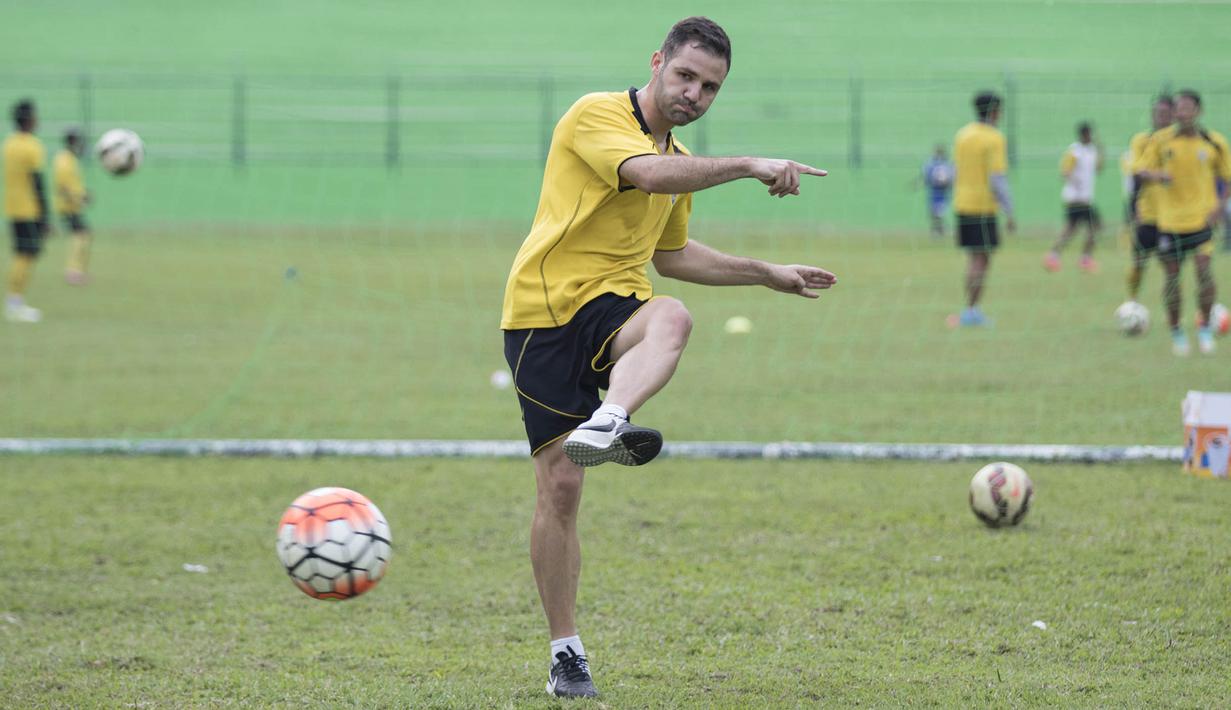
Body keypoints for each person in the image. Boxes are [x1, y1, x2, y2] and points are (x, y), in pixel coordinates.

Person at [499, 16, 837, 698]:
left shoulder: (679, 159)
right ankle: (565, 653)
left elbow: (672, 255)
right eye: (685, 76)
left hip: (615, 307)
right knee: (560, 488)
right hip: (543, 314)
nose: (694, 94)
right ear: (656, 62)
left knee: (672, 315)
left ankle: (610, 419)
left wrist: (766, 273)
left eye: (710, 87)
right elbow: (647, 176)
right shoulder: (597, 116)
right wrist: (747, 164)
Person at [1135, 89, 1230, 356]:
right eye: (1178, 108)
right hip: (1170, 223)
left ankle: (1205, 329)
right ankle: (1177, 331)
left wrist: (1219, 207)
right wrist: (1158, 175)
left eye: (1187, 108)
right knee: (1173, 279)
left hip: (1201, 221)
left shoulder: (1214, 142)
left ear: (1198, 111)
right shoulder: (1160, 140)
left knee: (1204, 272)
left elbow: (1227, 178)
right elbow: (1141, 171)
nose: (1182, 113)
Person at [951, 91, 1014, 327]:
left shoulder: (963, 135)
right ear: (995, 111)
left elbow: (955, 170)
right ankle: (971, 310)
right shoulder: (994, 138)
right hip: (983, 206)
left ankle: (970, 309)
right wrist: (1009, 210)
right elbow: (997, 178)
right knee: (981, 259)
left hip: (963, 204)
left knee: (973, 258)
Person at [1125, 96, 1175, 303]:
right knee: (1139, 262)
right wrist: (1162, 176)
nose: (1161, 117)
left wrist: (1151, 174)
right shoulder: (1141, 140)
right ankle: (1132, 301)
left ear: (1174, 115)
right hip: (1147, 214)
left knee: (1171, 266)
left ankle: (1173, 309)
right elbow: (1137, 172)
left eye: (1166, 114)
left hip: (1173, 217)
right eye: (1158, 113)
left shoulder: (1179, 142)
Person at [3, 99, 48, 323]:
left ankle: (14, 301)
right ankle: (14, 303)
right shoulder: (32, 146)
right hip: (29, 209)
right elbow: (37, 182)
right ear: (29, 120)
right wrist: (45, 216)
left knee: (23, 253)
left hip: (12, 207)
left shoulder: (8, 144)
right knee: (26, 254)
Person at [1044, 122, 1104, 273]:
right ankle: (1083, 259)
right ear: (1083, 134)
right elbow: (1064, 172)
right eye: (1089, 134)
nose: (1091, 137)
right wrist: (1075, 180)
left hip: (1086, 198)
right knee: (1091, 226)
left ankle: (1055, 256)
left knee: (1073, 229)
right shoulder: (1074, 151)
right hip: (1076, 198)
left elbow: (1098, 169)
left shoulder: (1091, 150)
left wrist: (1101, 152)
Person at [54, 126, 91, 285]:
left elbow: (73, 184)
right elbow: (63, 187)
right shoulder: (64, 160)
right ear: (72, 142)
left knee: (82, 236)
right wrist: (78, 197)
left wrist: (83, 195)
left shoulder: (69, 159)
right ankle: (73, 272)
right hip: (67, 207)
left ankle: (77, 271)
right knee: (80, 236)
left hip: (73, 205)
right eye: (78, 141)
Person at [919, 144, 954, 237]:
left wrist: (919, 184)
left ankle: (939, 229)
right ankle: (939, 229)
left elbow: (926, 177)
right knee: (936, 211)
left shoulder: (931, 164)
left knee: (936, 212)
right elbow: (952, 178)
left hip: (937, 191)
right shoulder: (948, 164)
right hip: (942, 191)